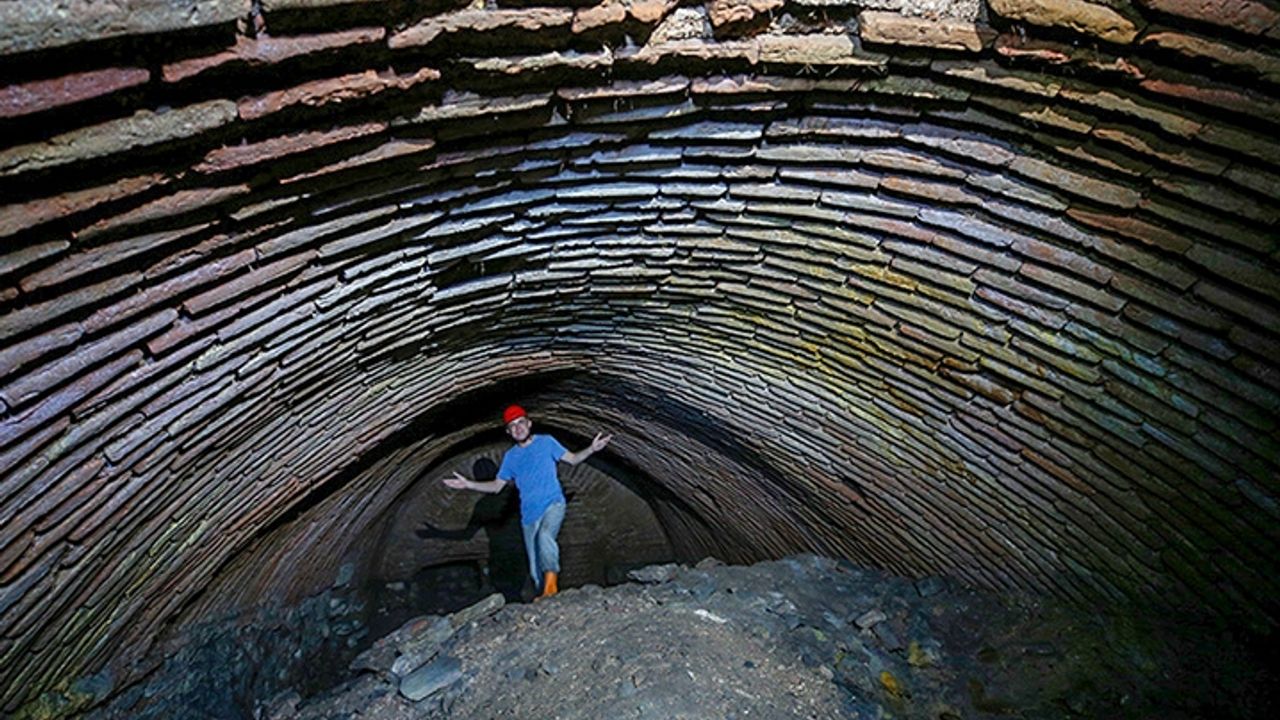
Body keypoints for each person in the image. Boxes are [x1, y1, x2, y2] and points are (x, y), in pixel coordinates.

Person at [443, 405, 612, 599]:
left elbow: (572, 459)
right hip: (529, 516)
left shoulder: (547, 442)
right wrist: (468, 485)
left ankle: (551, 587)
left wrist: (592, 448)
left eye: (521, 423)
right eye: (512, 426)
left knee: (545, 536)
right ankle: (546, 597)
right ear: (508, 432)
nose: (518, 428)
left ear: (529, 423)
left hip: (553, 503)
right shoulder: (511, 457)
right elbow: (497, 486)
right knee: (534, 569)